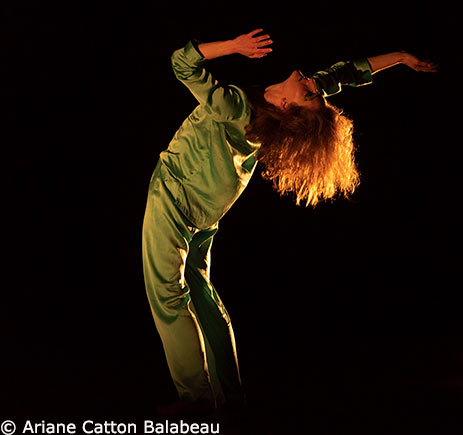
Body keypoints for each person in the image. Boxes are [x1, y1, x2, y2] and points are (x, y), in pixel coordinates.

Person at [142, 29, 436, 415]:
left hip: (177, 196)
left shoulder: (237, 110)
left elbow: (182, 64)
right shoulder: (291, 104)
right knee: (201, 295)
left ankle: (196, 399)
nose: (314, 85)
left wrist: (233, 47)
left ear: (285, 106)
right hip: (208, 206)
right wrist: (399, 57)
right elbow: (344, 74)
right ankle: (229, 396)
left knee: (168, 295)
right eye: (316, 91)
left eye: (310, 93)